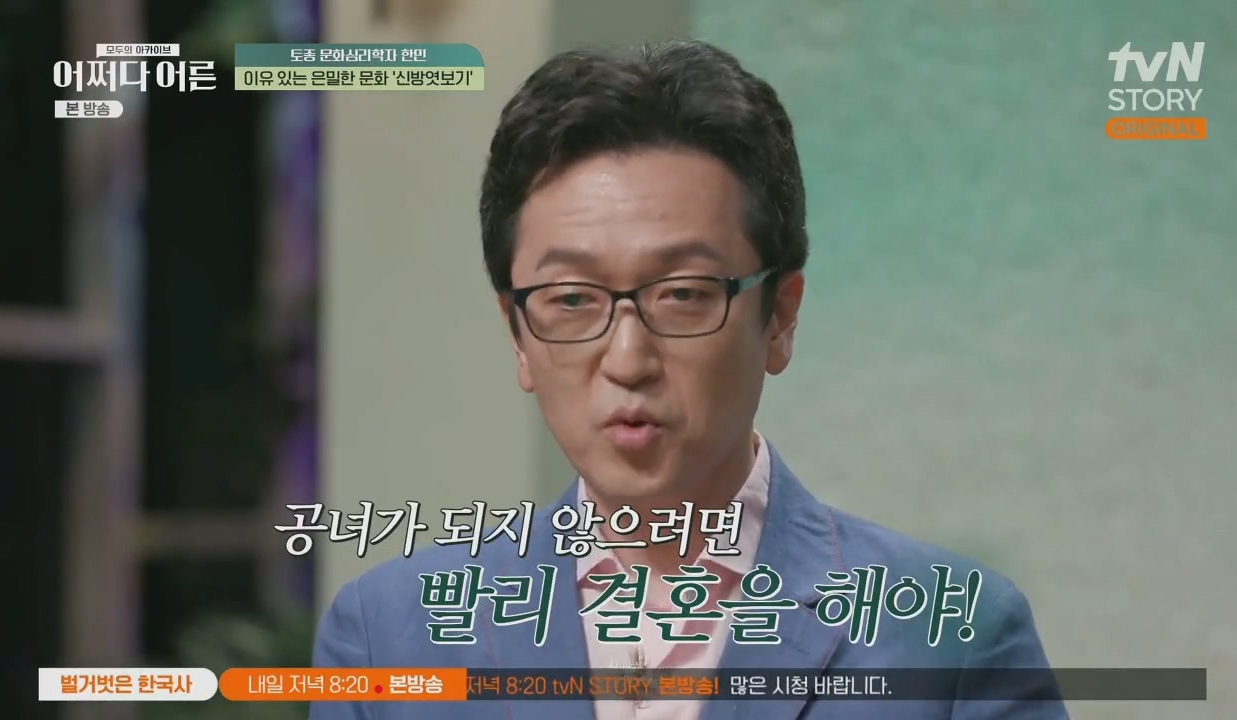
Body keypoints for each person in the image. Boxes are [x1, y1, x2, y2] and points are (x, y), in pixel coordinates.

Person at [311, 40, 1068, 720]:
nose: (627, 358)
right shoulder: (389, 636)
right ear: (517, 334)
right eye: (571, 300)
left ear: (780, 317)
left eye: (681, 294)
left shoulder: (949, 641)